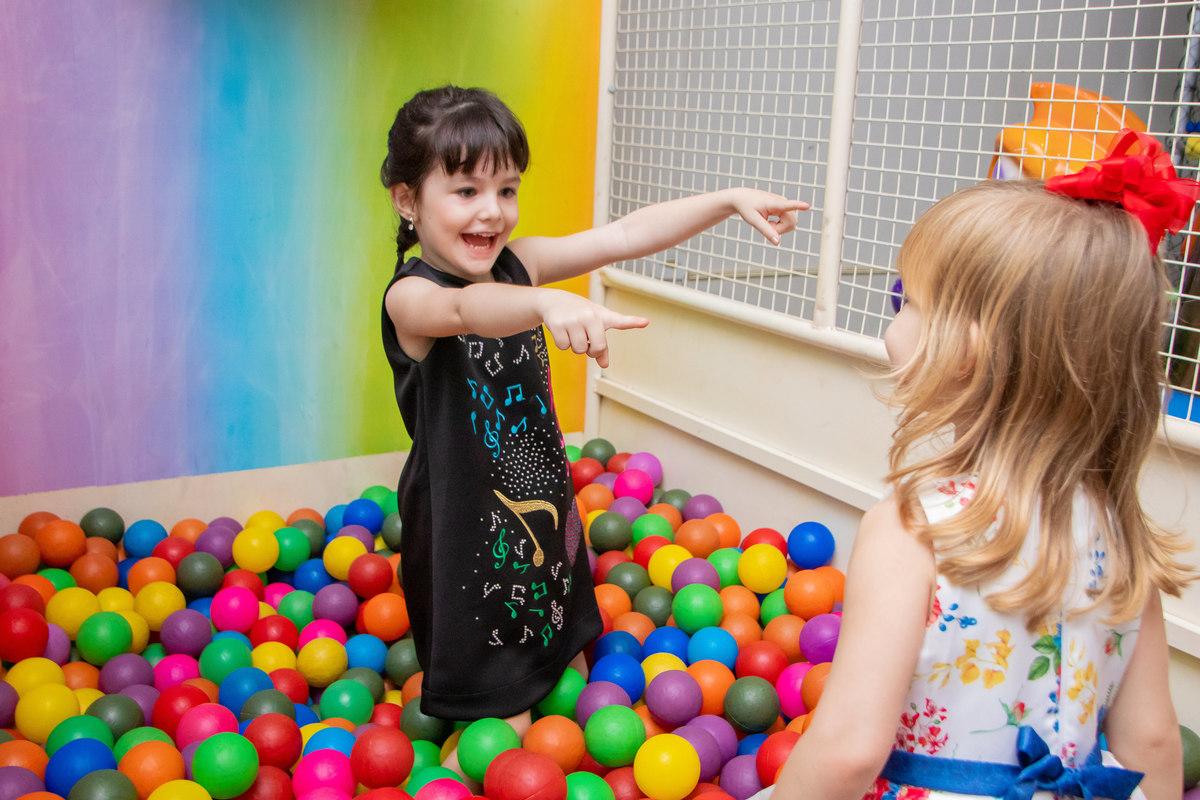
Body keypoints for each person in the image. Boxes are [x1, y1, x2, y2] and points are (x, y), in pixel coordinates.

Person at [762, 130, 1197, 800]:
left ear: (969, 349)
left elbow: (848, 754)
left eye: (905, 301)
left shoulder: (914, 530)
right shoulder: (1119, 534)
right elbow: (1155, 744)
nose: (891, 326)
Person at [378, 85, 808, 729]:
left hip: (542, 509)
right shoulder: (411, 297)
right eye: (466, 191)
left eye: (507, 190)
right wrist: (549, 304)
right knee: (505, 729)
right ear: (408, 200)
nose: (492, 213)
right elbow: (465, 311)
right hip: (466, 530)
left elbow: (625, 234)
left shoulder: (516, 265)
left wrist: (725, 201)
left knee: (569, 673)